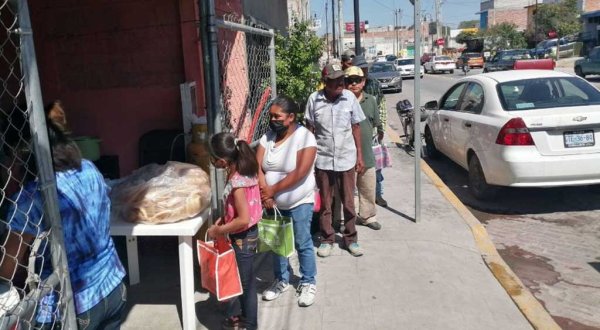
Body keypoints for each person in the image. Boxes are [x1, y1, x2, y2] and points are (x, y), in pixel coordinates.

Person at [0, 121, 127, 329]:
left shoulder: (31, 198)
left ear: (25, 156)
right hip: (113, 285)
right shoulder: (88, 168)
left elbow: (7, 269)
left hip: (75, 304)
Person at [256, 96, 318, 307]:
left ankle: (308, 281)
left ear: (291, 117)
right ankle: (280, 280)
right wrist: (266, 194)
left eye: (277, 116)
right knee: (277, 245)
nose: (273, 120)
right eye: (271, 115)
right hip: (272, 204)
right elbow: (258, 167)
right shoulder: (268, 137)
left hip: (299, 202)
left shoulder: (305, 137)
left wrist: (272, 190)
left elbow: (301, 171)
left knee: (302, 242)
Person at [304, 63, 366, 258]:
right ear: (325, 83)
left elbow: (356, 128)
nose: (340, 83)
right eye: (335, 81)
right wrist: (308, 159)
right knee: (326, 204)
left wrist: (359, 156)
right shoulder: (314, 100)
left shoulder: (349, 98)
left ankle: (350, 238)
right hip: (322, 159)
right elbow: (310, 131)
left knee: (348, 202)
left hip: (346, 159)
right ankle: (327, 238)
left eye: (341, 80)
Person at [206, 132, 262, 330]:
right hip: (247, 235)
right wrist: (225, 218)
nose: (211, 161)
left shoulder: (238, 181)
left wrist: (218, 230)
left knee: (246, 285)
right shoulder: (245, 170)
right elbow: (240, 210)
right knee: (245, 282)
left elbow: (243, 219)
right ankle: (245, 317)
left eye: (212, 158)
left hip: (243, 238)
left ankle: (250, 324)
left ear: (221, 160)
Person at [344, 66, 383, 231]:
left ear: (363, 82)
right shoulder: (341, 101)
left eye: (357, 80)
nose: (353, 84)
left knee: (368, 187)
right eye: (349, 81)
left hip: (366, 153)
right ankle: (345, 220)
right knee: (344, 191)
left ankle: (368, 216)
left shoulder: (371, 100)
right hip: (345, 155)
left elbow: (376, 124)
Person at [352, 55, 388, 207]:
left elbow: (381, 105)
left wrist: (381, 128)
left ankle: (377, 194)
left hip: (371, 134)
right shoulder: (347, 89)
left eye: (364, 68)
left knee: (374, 168)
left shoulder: (373, 84)